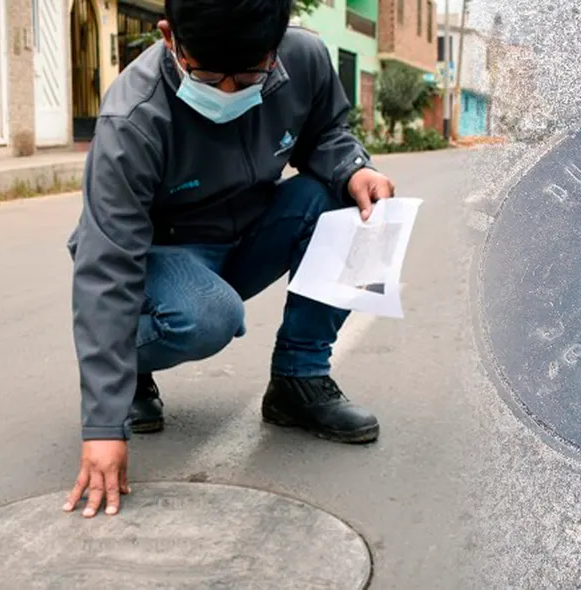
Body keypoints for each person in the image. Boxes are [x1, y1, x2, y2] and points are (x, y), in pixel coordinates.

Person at [61, 0, 396, 519]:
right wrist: (103, 428)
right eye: (209, 74)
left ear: (277, 45)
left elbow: (327, 134)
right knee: (208, 316)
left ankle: (298, 381)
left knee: (348, 206)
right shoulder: (134, 118)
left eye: (249, 75)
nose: (228, 92)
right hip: (161, 251)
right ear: (169, 36)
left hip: (244, 235)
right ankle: (127, 373)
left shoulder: (303, 59)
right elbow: (108, 265)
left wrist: (353, 168)